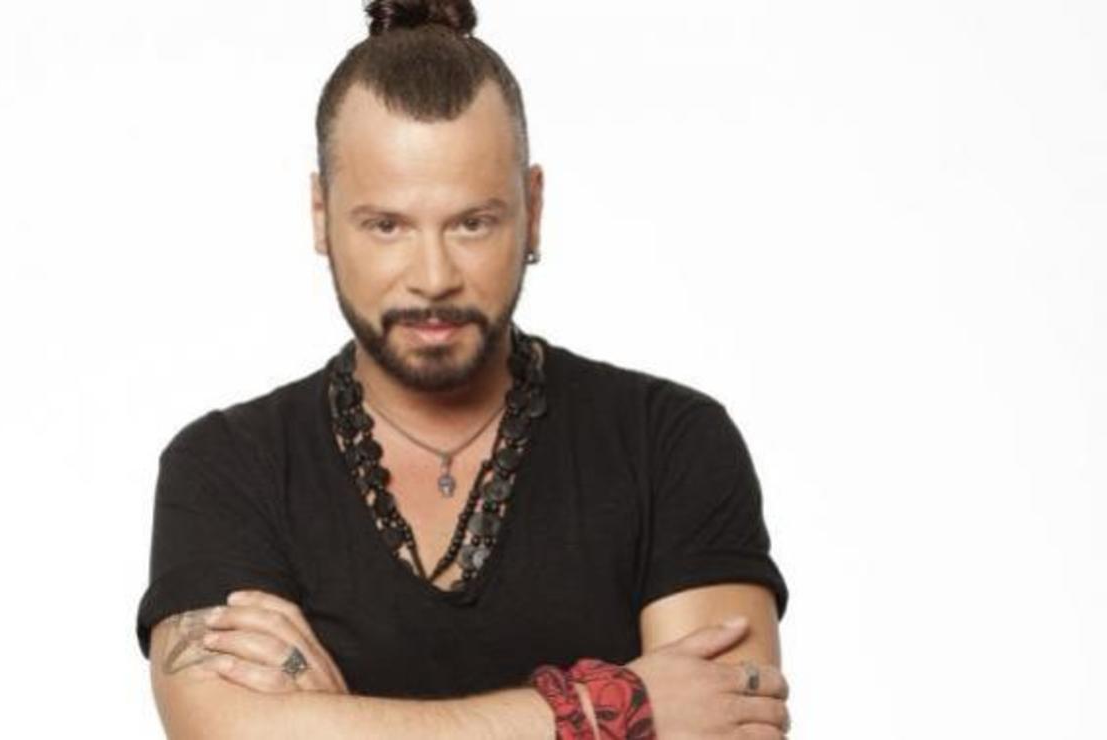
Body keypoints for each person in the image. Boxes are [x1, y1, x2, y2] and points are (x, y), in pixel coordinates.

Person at [135, 1, 792, 737]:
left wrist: (335, 721)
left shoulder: (670, 443)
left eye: (473, 223)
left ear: (532, 208)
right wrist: (607, 709)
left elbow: (723, 725)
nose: (433, 277)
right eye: (386, 225)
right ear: (321, 215)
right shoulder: (227, 467)